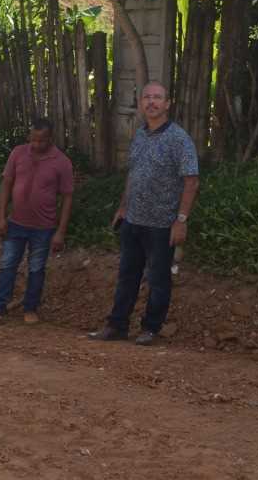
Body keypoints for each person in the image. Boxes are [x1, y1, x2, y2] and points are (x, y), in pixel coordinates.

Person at [89, 81, 199, 345]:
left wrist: (181, 220)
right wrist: (123, 207)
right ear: (140, 104)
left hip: (162, 224)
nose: (151, 102)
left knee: (158, 278)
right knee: (127, 275)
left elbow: (192, 181)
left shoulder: (179, 139)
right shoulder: (139, 135)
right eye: (147, 97)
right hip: (133, 220)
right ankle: (117, 325)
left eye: (157, 97)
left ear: (167, 104)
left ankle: (151, 328)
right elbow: (133, 173)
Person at [0, 117, 74, 325]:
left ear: (50, 138)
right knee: (7, 265)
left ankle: (30, 309)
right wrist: (1, 217)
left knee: (36, 268)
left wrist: (60, 232)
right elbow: (6, 184)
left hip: (44, 227)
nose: (36, 144)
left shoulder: (62, 162)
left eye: (41, 140)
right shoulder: (18, 153)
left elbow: (67, 197)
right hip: (16, 223)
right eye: (33, 139)